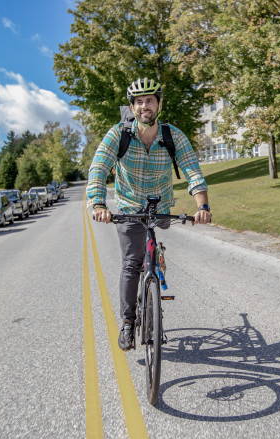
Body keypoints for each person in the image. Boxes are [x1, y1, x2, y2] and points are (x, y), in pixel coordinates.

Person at [87, 78, 212, 351]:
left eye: (150, 101)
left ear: (159, 104)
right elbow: (98, 169)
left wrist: (202, 206)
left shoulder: (172, 135)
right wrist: (98, 205)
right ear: (132, 107)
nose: (145, 106)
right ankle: (128, 323)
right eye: (139, 102)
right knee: (132, 264)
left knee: (152, 250)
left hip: (161, 206)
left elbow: (192, 170)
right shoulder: (118, 134)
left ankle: (155, 261)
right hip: (128, 207)